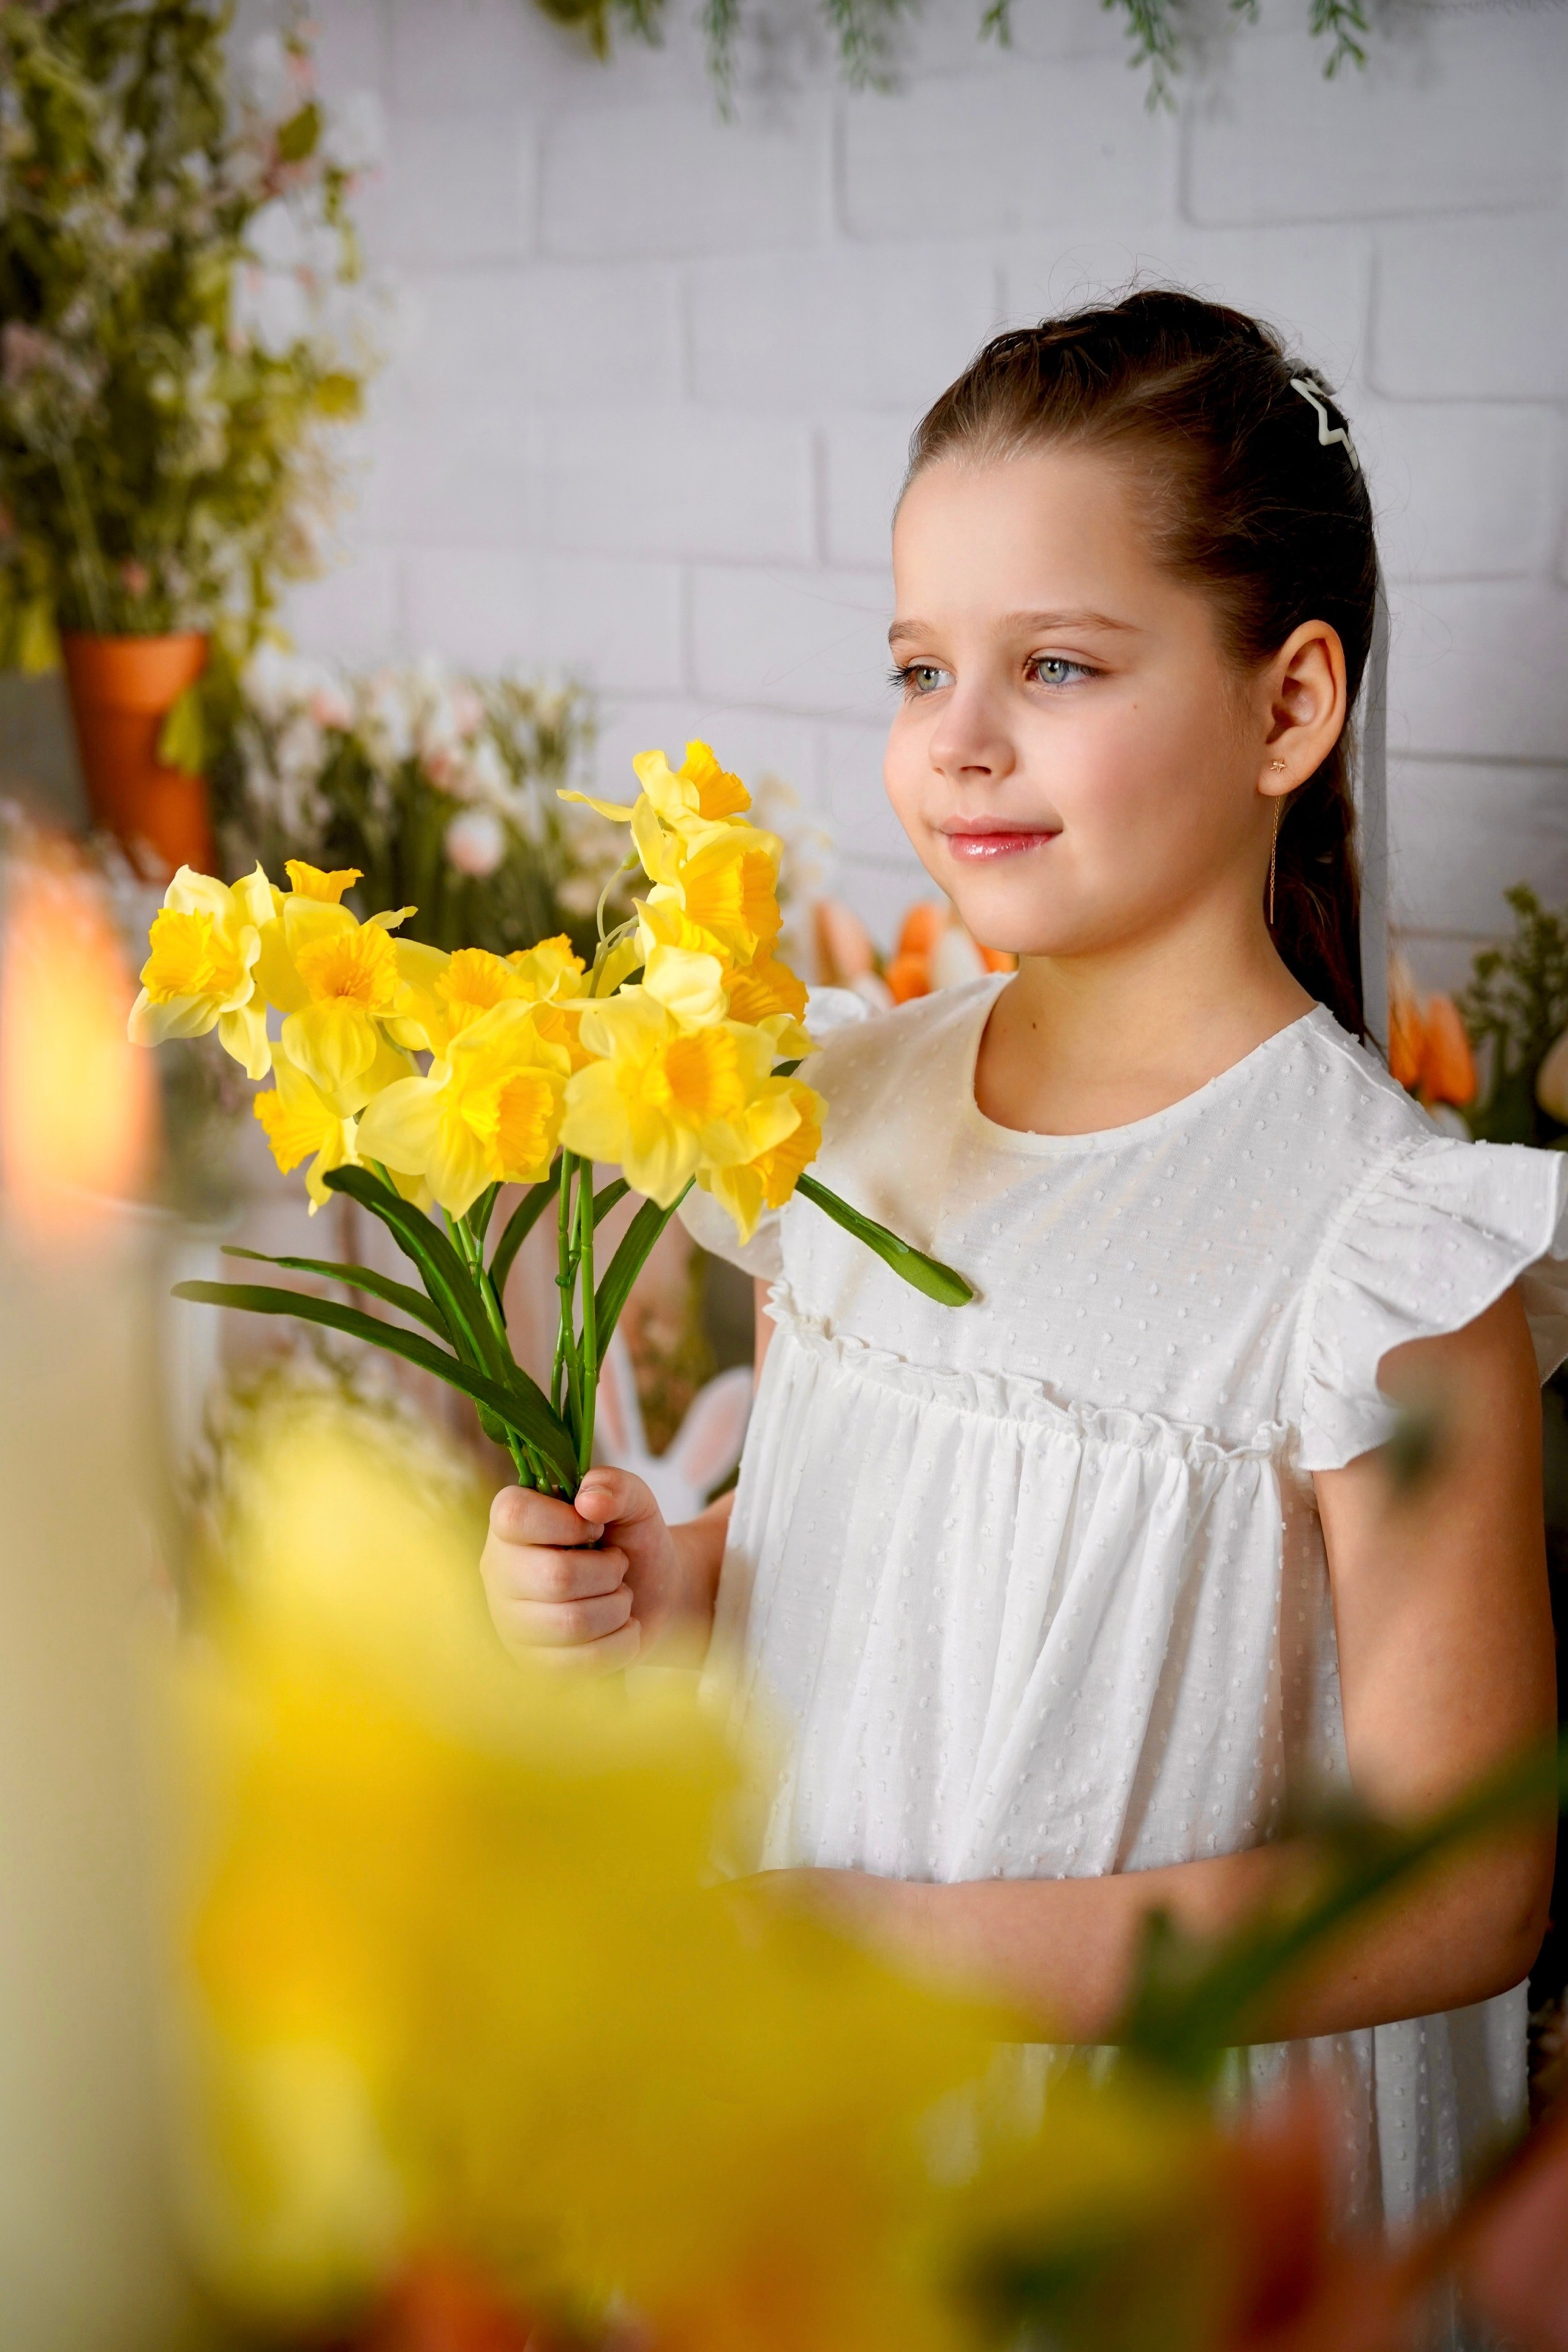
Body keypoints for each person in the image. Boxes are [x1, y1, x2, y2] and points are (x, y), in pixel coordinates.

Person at [482, 292, 1567, 2241]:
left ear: (1288, 708)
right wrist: (676, 1583)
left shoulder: (1379, 1250)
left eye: (1055, 665)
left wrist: (902, 1949)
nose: (958, 746)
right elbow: (887, 1557)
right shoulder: (838, 1103)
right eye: (919, 668)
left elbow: (1462, 1885)